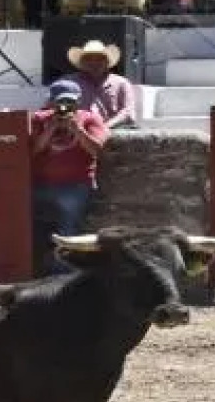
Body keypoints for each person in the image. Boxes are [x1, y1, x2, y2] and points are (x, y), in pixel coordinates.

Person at [30, 79, 109, 274]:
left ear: (78, 101)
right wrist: (49, 130)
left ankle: (62, 276)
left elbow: (98, 151)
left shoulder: (90, 118)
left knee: (68, 230)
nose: (64, 107)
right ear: (51, 102)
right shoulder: (39, 119)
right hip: (40, 183)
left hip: (75, 185)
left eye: (70, 102)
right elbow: (31, 150)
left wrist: (78, 130)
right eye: (60, 102)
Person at [67, 39, 136, 131]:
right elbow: (53, 107)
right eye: (89, 59)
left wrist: (105, 127)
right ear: (82, 63)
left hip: (112, 133)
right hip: (77, 133)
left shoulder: (121, 83)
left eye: (100, 59)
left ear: (107, 62)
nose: (94, 63)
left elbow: (128, 112)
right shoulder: (69, 83)